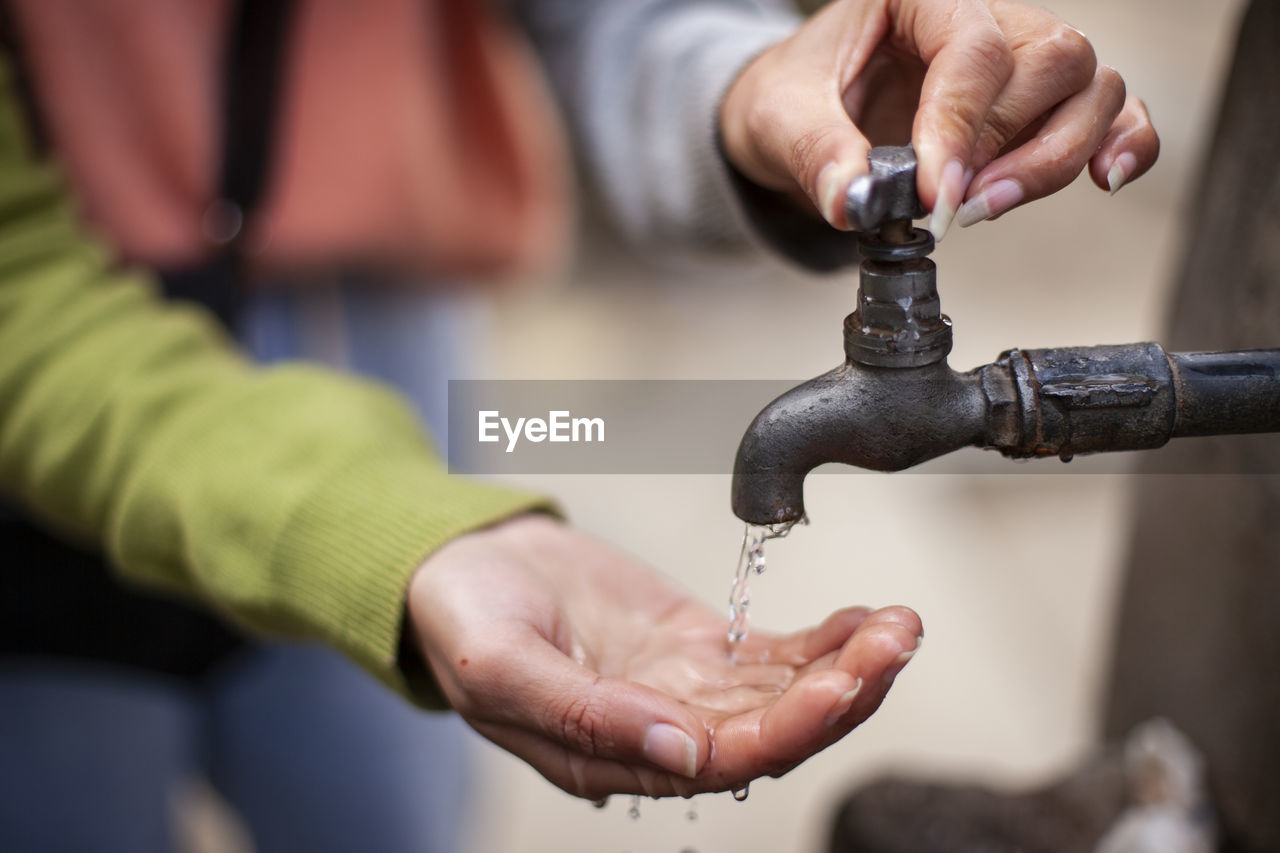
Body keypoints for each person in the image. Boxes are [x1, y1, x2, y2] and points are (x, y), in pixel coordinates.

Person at [0, 0, 1157, 847]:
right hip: (50, 385)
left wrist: (755, 89)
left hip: (383, 307)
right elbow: (21, 298)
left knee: (376, 805)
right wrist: (404, 533)